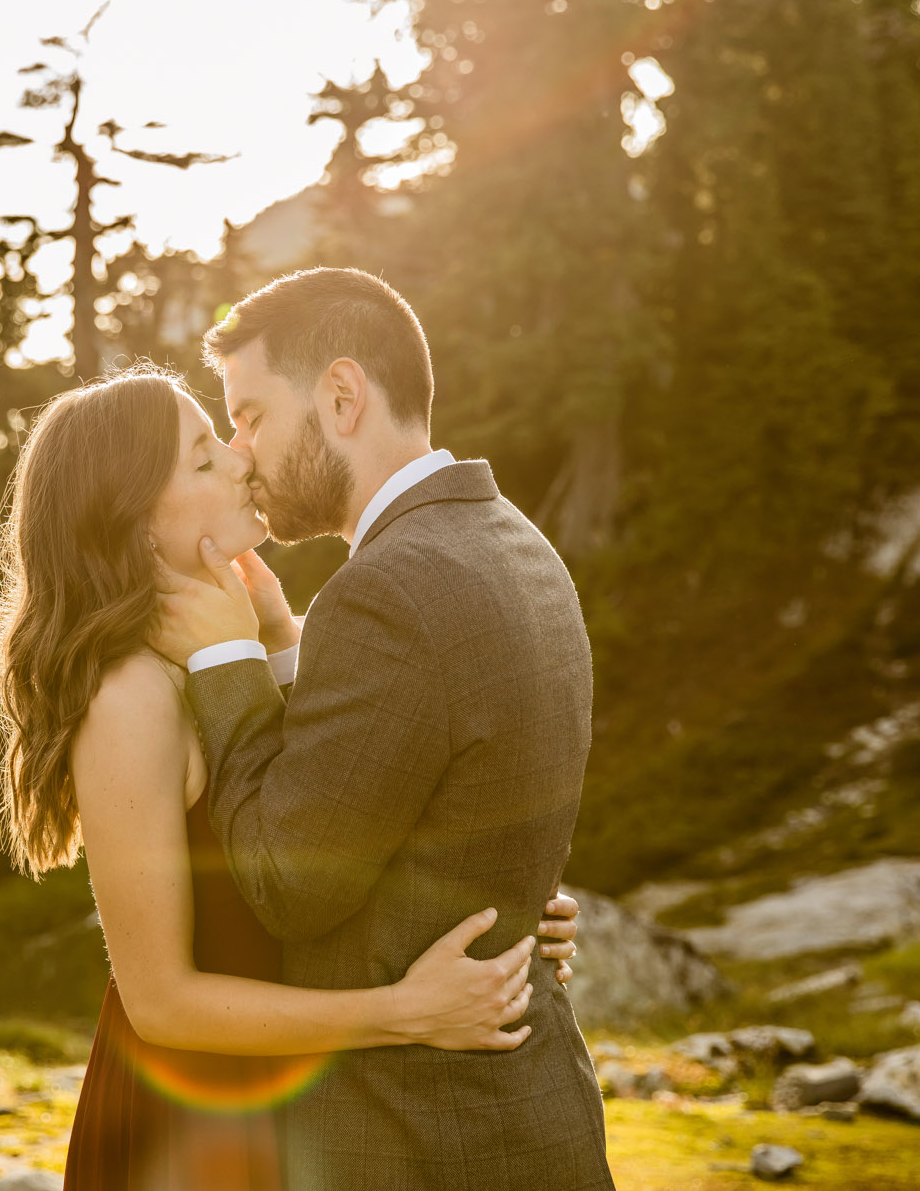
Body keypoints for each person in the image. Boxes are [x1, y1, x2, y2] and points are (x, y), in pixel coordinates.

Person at [0, 365, 582, 1191]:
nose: (237, 459)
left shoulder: (245, 647)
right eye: (200, 459)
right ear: (136, 524)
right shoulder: (132, 698)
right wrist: (401, 1011)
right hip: (189, 1129)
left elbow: (339, 833)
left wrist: (511, 903)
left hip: (292, 1114)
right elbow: (159, 1001)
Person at [152, 267, 614, 1190]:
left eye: (250, 416)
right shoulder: (517, 540)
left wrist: (224, 662)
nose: (241, 454)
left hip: (419, 1139)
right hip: (533, 1116)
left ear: (340, 394)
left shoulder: (387, 588)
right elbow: (432, 790)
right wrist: (285, 646)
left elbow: (289, 882)